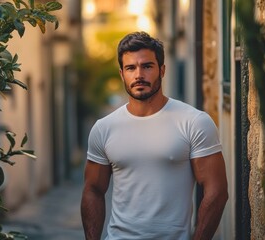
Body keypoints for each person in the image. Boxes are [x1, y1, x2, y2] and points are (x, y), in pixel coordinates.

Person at [80, 31, 228, 240]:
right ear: (122, 74)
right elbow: (93, 189)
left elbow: (217, 191)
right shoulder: (104, 128)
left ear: (162, 70)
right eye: (131, 68)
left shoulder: (194, 122)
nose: (139, 75)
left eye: (147, 66)